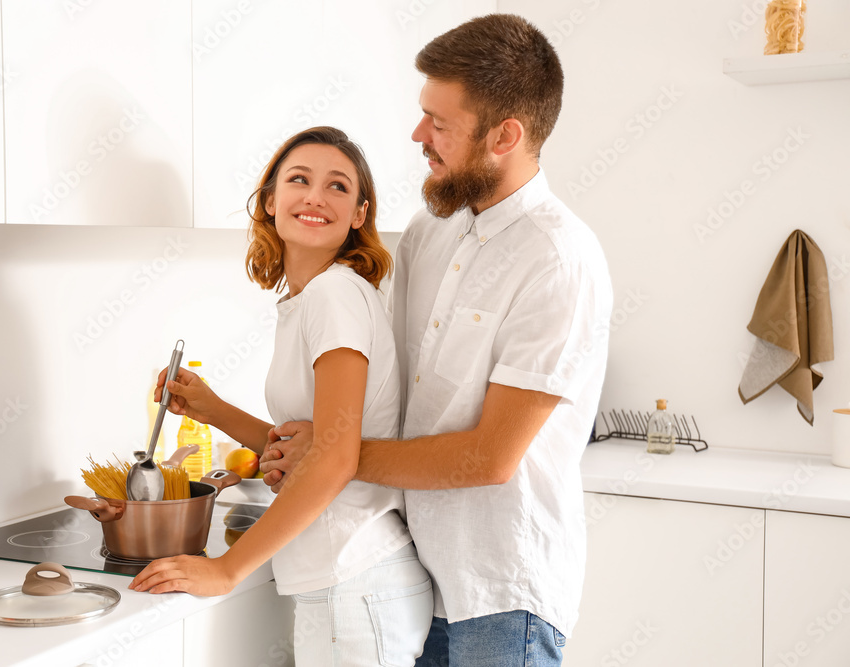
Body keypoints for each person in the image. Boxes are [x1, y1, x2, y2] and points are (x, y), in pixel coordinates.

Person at [259, 14, 613, 666]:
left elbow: (491, 457)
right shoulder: (431, 232)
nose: (418, 135)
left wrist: (333, 455)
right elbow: (389, 397)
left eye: (439, 123)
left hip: (500, 593)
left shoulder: (559, 259)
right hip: (415, 574)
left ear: (505, 136)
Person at [129, 126, 434, 666]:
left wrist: (227, 569)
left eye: (338, 186)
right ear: (271, 200)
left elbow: (335, 458)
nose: (315, 196)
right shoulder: (312, 298)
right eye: (299, 179)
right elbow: (302, 446)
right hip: (352, 580)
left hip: (353, 577)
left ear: (359, 214)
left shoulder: (333, 295)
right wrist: (213, 410)